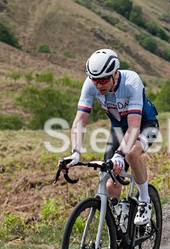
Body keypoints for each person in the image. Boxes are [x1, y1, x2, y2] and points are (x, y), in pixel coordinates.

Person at [64, 49, 159, 226]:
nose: (99, 85)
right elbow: (80, 120)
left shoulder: (131, 81)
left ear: (115, 73)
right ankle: (117, 232)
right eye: (95, 80)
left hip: (145, 125)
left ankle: (145, 201)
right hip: (118, 130)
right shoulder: (90, 84)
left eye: (104, 79)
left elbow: (134, 126)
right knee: (109, 183)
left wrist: (119, 155)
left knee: (131, 153)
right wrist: (75, 152)